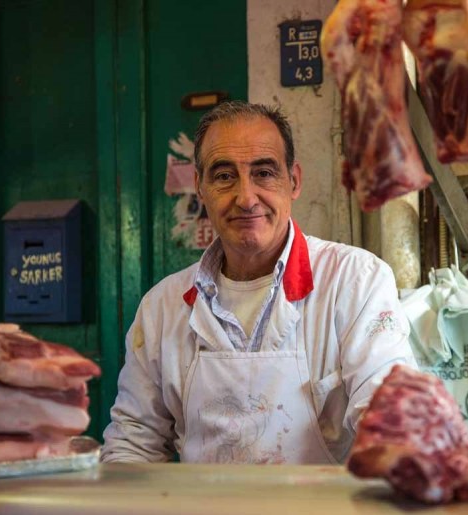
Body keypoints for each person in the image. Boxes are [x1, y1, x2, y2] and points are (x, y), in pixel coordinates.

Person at [101, 101, 416, 464]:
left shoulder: (354, 280)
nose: (246, 198)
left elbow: (390, 417)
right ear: (200, 189)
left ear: (293, 181)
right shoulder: (162, 307)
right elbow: (132, 446)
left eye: (264, 173)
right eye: (223, 176)